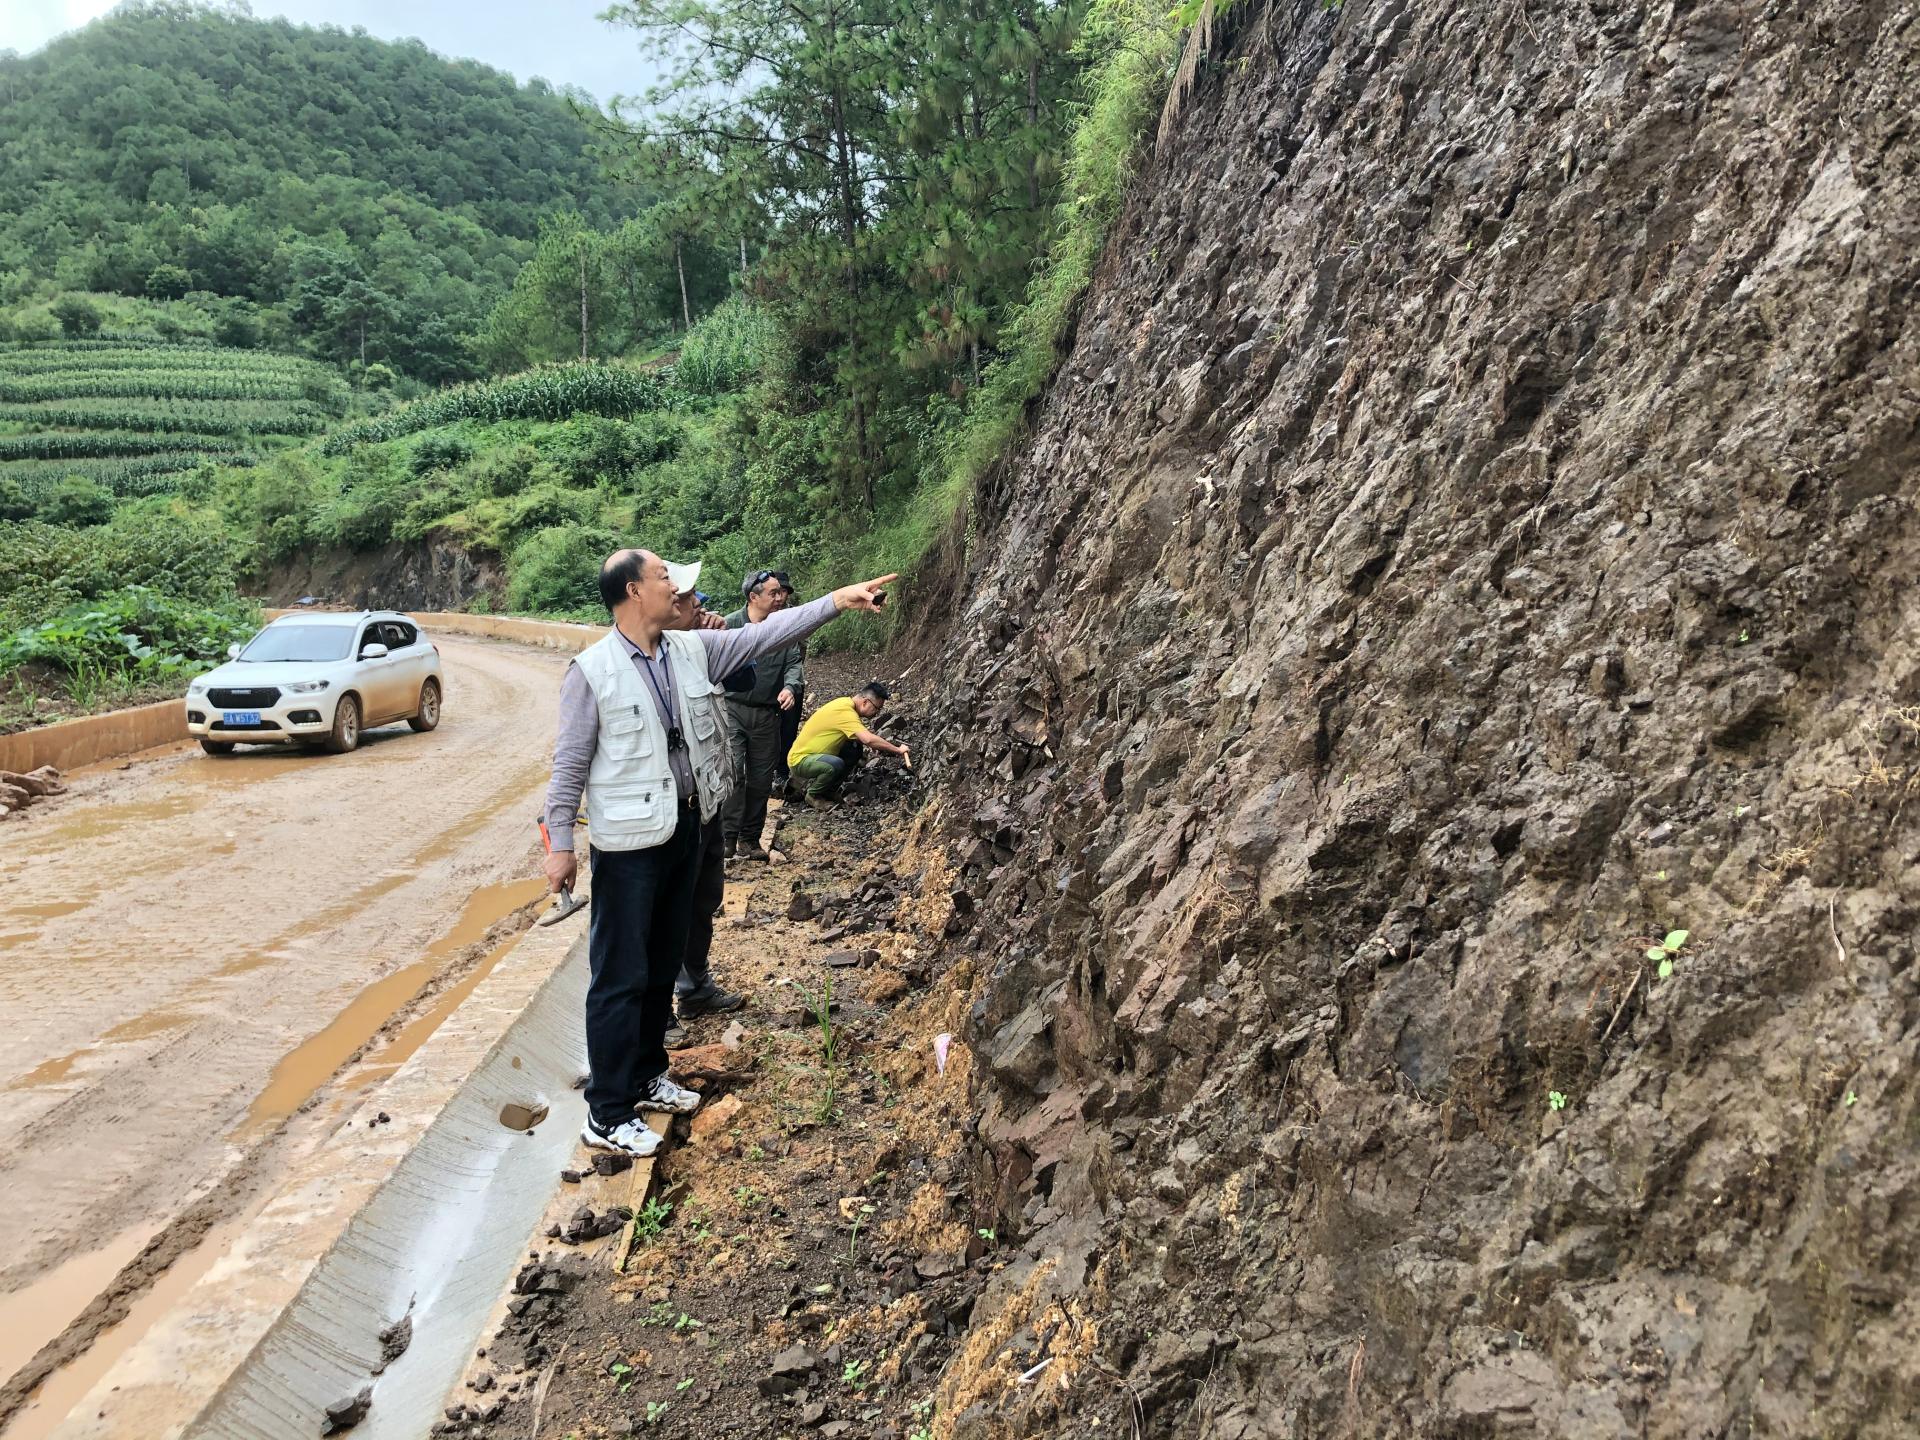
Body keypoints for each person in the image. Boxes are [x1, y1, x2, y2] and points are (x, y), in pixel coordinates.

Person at [542, 550, 896, 1157]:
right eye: (662, 577)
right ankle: (606, 1111)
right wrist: (561, 842)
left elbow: (770, 633)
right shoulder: (592, 670)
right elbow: (569, 763)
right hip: (628, 847)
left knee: (659, 966)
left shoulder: (689, 651)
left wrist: (836, 601)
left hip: (683, 827)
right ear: (633, 591)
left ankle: (650, 1074)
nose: (673, 585)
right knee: (619, 977)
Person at [664, 576, 748, 1049]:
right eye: (691, 601)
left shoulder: (700, 647)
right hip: (671, 812)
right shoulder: (649, 662)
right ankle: (658, 1011)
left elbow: (745, 681)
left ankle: (694, 987)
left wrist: (718, 642)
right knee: (667, 912)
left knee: (703, 899)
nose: (700, 606)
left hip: (708, 799)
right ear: (666, 606)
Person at [722, 569, 804, 860]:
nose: (780, 598)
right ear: (753, 597)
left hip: (768, 714)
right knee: (732, 772)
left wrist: (791, 687)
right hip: (731, 709)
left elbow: (794, 662)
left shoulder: (783, 627)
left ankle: (750, 839)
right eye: (774, 593)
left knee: (761, 778)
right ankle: (727, 837)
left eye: (781, 592)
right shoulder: (729, 624)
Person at [786, 681, 909, 808]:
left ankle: (828, 791)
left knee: (854, 748)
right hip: (800, 760)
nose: (877, 713)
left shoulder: (845, 704)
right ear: (865, 702)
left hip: (814, 756)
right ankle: (813, 795)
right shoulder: (845, 712)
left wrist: (876, 745)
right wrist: (898, 750)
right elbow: (868, 739)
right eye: (876, 708)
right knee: (836, 764)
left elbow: (861, 738)